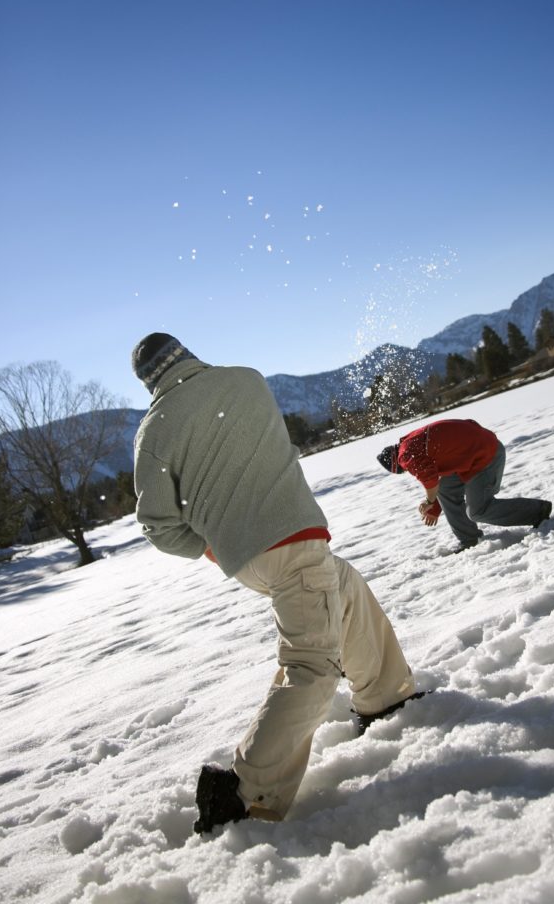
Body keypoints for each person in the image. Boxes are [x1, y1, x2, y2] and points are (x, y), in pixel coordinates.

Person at [131, 333, 418, 834]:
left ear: (148, 380)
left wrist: (208, 545)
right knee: (310, 665)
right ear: (186, 352)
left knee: (344, 588)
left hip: (248, 558)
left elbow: (157, 525)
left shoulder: (153, 431)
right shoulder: (245, 380)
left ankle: (385, 696)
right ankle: (243, 792)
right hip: (292, 537)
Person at [377, 418, 551, 553]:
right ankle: (469, 539)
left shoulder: (405, 456)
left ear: (398, 466)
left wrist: (428, 502)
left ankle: (538, 511)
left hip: (486, 457)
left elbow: (429, 479)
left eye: (405, 470)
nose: (408, 470)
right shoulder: (409, 442)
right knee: (444, 486)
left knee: (478, 511)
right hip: (482, 448)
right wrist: (436, 507)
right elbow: (441, 471)